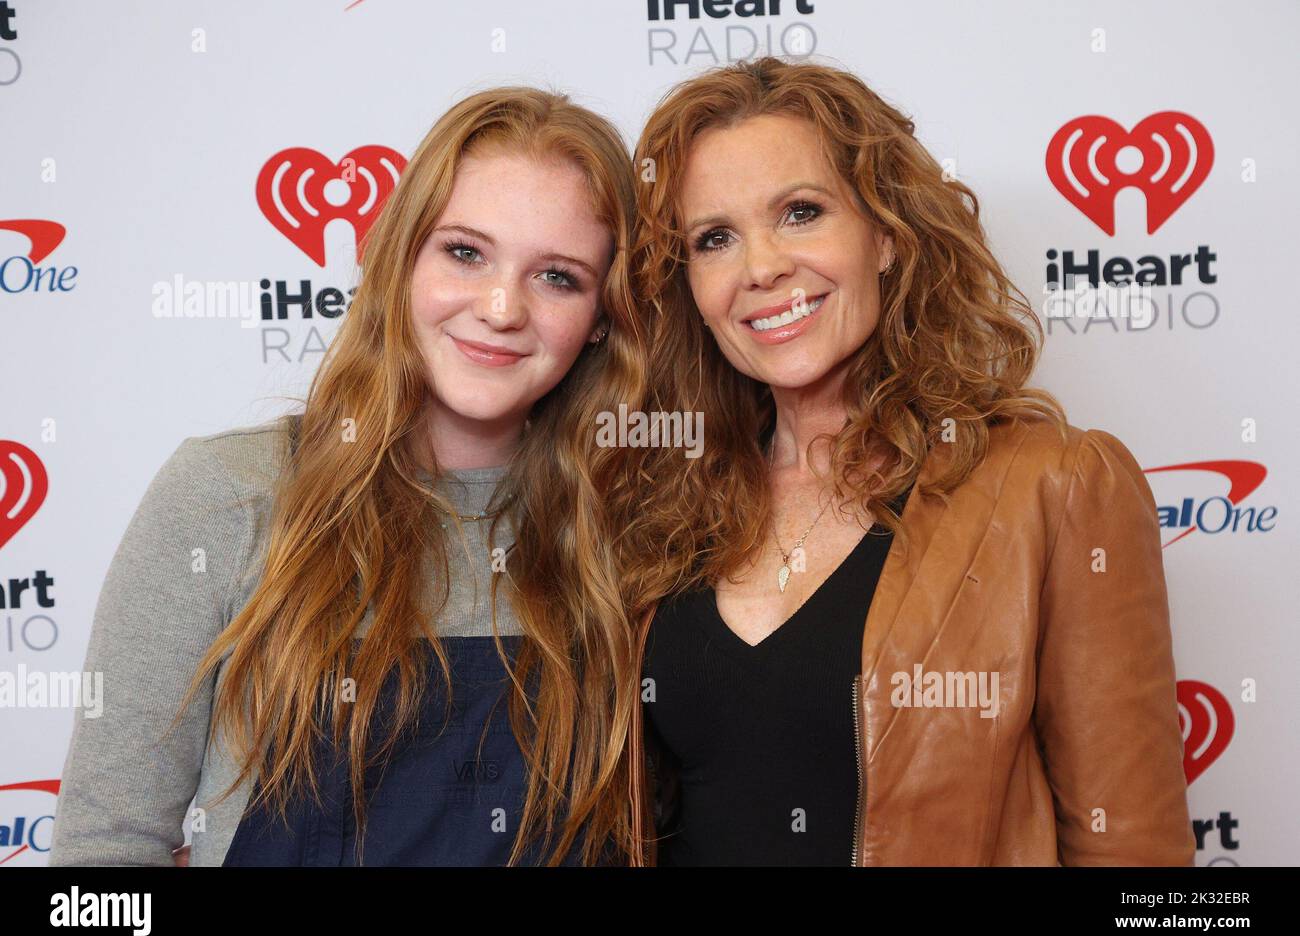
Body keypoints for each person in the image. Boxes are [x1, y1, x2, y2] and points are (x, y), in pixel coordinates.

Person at [613, 56, 1195, 866]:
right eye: (715, 238)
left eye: (802, 212)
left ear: (885, 235)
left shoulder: (1054, 488)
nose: (762, 267)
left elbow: (1137, 860)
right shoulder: (668, 505)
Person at [50, 87, 644, 866]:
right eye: (465, 252)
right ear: (398, 259)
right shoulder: (229, 495)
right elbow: (102, 860)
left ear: (602, 313)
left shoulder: (635, 524)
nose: (501, 308)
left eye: (557, 277)